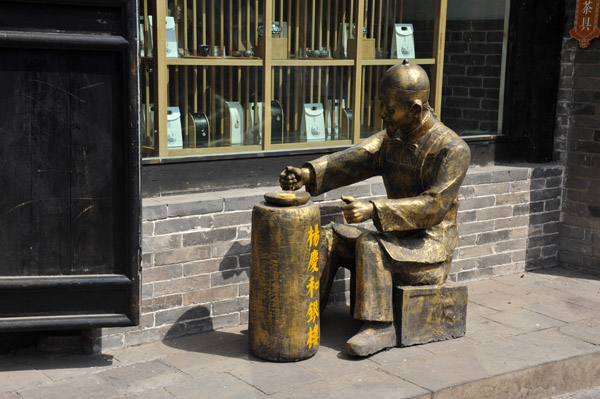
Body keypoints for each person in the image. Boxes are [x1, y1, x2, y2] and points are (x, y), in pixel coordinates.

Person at [280, 60, 471, 357]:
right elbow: (353, 159)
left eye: (390, 108)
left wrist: (373, 209)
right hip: (396, 240)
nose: (383, 113)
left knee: (370, 245)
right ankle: (306, 313)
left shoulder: (452, 149)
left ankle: (379, 327)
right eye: (382, 104)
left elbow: (433, 206)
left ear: (416, 109)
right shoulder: (391, 138)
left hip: (429, 248)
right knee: (331, 236)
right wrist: (308, 175)